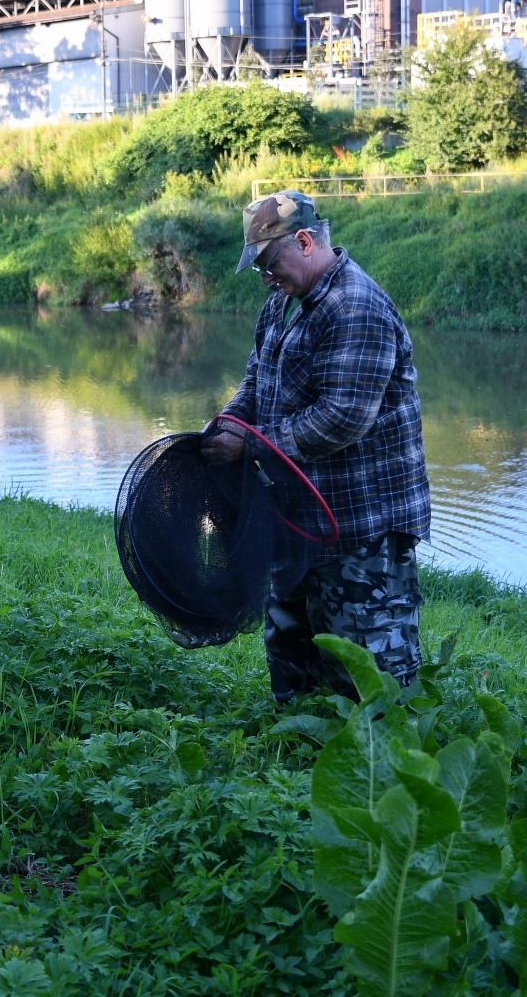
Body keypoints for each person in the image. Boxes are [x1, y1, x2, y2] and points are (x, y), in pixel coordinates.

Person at [201, 190, 430, 704]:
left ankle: (379, 767)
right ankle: (296, 752)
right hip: (297, 521)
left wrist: (252, 448)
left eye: (269, 263)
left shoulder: (356, 305)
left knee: (366, 665)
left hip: (362, 523)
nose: (266, 277)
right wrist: (234, 423)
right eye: (259, 268)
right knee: (290, 645)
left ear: (304, 241)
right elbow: (257, 381)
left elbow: (342, 418)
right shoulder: (282, 303)